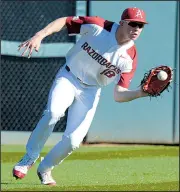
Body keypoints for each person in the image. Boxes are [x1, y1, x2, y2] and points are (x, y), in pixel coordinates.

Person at [13, 7, 149, 185]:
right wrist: (40, 35)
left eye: (141, 25)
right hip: (69, 77)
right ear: (122, 22)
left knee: (73, 141)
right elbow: (65, 21)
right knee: (53, 113)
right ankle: (29, 157)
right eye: (133, 24)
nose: (137, 29)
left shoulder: (130, 56)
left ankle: (45, 168)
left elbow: (119, 95)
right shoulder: (98, 26)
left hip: (91, 90)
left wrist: (140, 92)